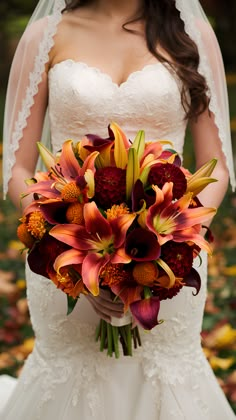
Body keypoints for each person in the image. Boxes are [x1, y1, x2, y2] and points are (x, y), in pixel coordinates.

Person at [0, 0, 235, 418]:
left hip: (166, 265)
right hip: (66, 258)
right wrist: (66, 255)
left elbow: (214, 169)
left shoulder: (192, 37)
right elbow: (16, 167)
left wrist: (174, 241)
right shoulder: (46, 37)